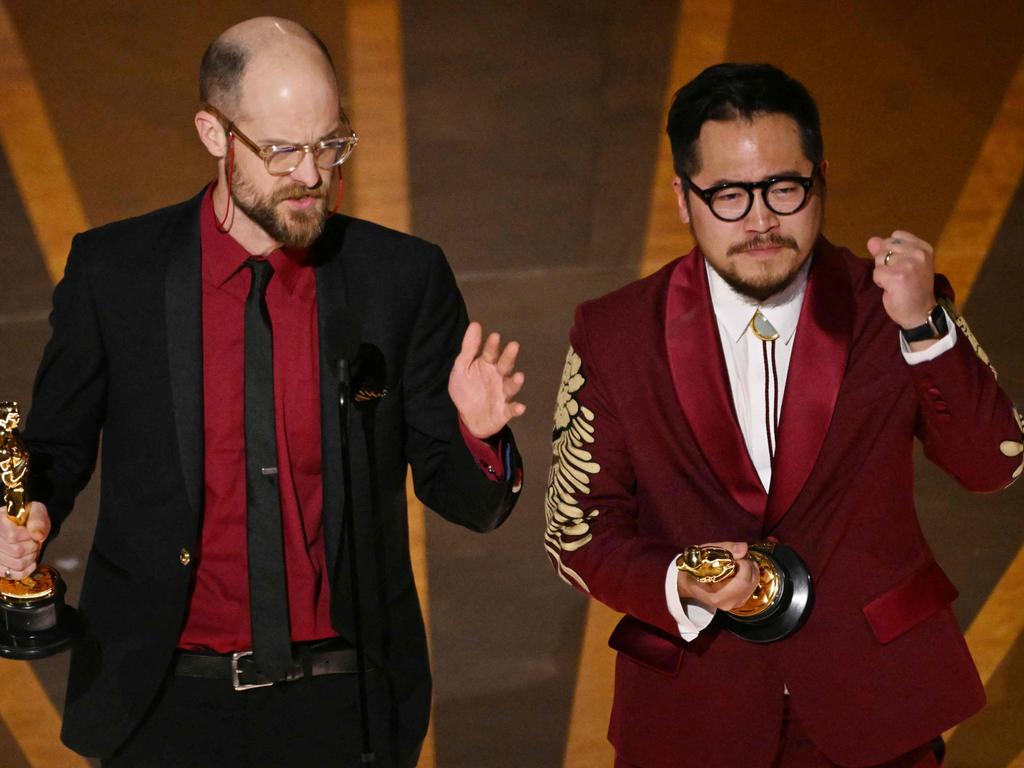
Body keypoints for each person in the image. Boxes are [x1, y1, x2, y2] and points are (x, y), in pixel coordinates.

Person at [0, 17, 525, 767]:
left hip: (346, 708)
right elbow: (51, 449)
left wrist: (477, 437)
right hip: (159, 705)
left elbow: (468, 502)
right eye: (282, 150)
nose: (312, 174)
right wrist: (26, 512)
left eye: (330, 143)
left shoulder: (400, 281)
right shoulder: (114, 274)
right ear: (215, 134)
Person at [544, 63, 1023, 768]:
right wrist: (683, 576)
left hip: (880, 710)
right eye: (730, 195)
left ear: (820, 176)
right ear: (683, 197)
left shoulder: (889, 305)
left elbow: (992, 466)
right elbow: (577, 532)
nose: (761, 220)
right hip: (692, 716)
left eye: (784, 189)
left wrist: (925, 327)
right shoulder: (614, 332)